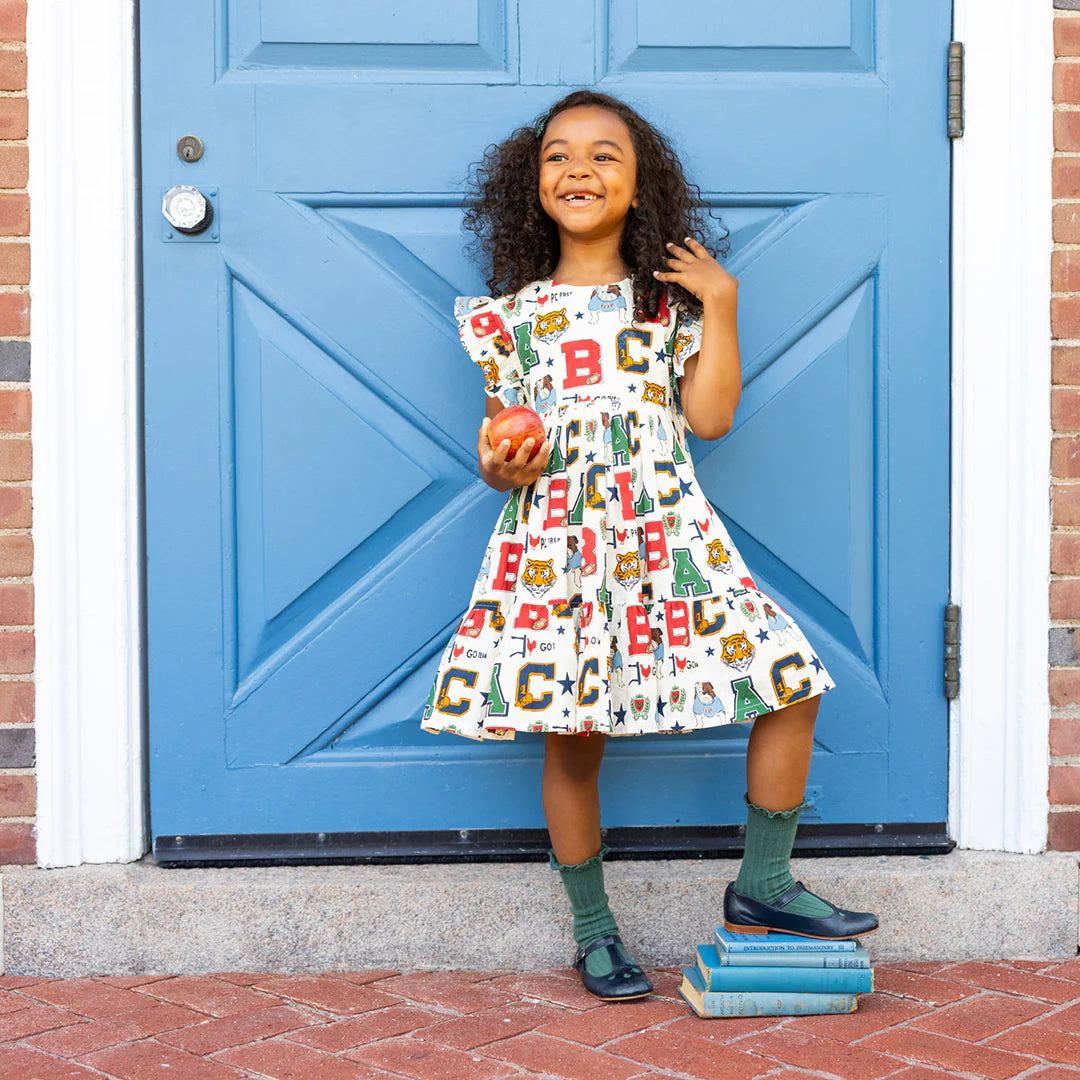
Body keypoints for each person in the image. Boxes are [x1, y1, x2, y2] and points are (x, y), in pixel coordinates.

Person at [421, 89, 878, 1003]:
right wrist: (502, 465)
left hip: (669, 537)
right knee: (575, 737)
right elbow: (498, 449)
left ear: (641, 185)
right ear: (531, 183)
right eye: (557, 156)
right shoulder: (508, 319)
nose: (578, 170)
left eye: (603, 156)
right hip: (556, 549)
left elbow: (708, 418)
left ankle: (764, 884)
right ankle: (594, 930)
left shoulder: (667, 306)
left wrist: (723, 301)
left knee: (789, 683)